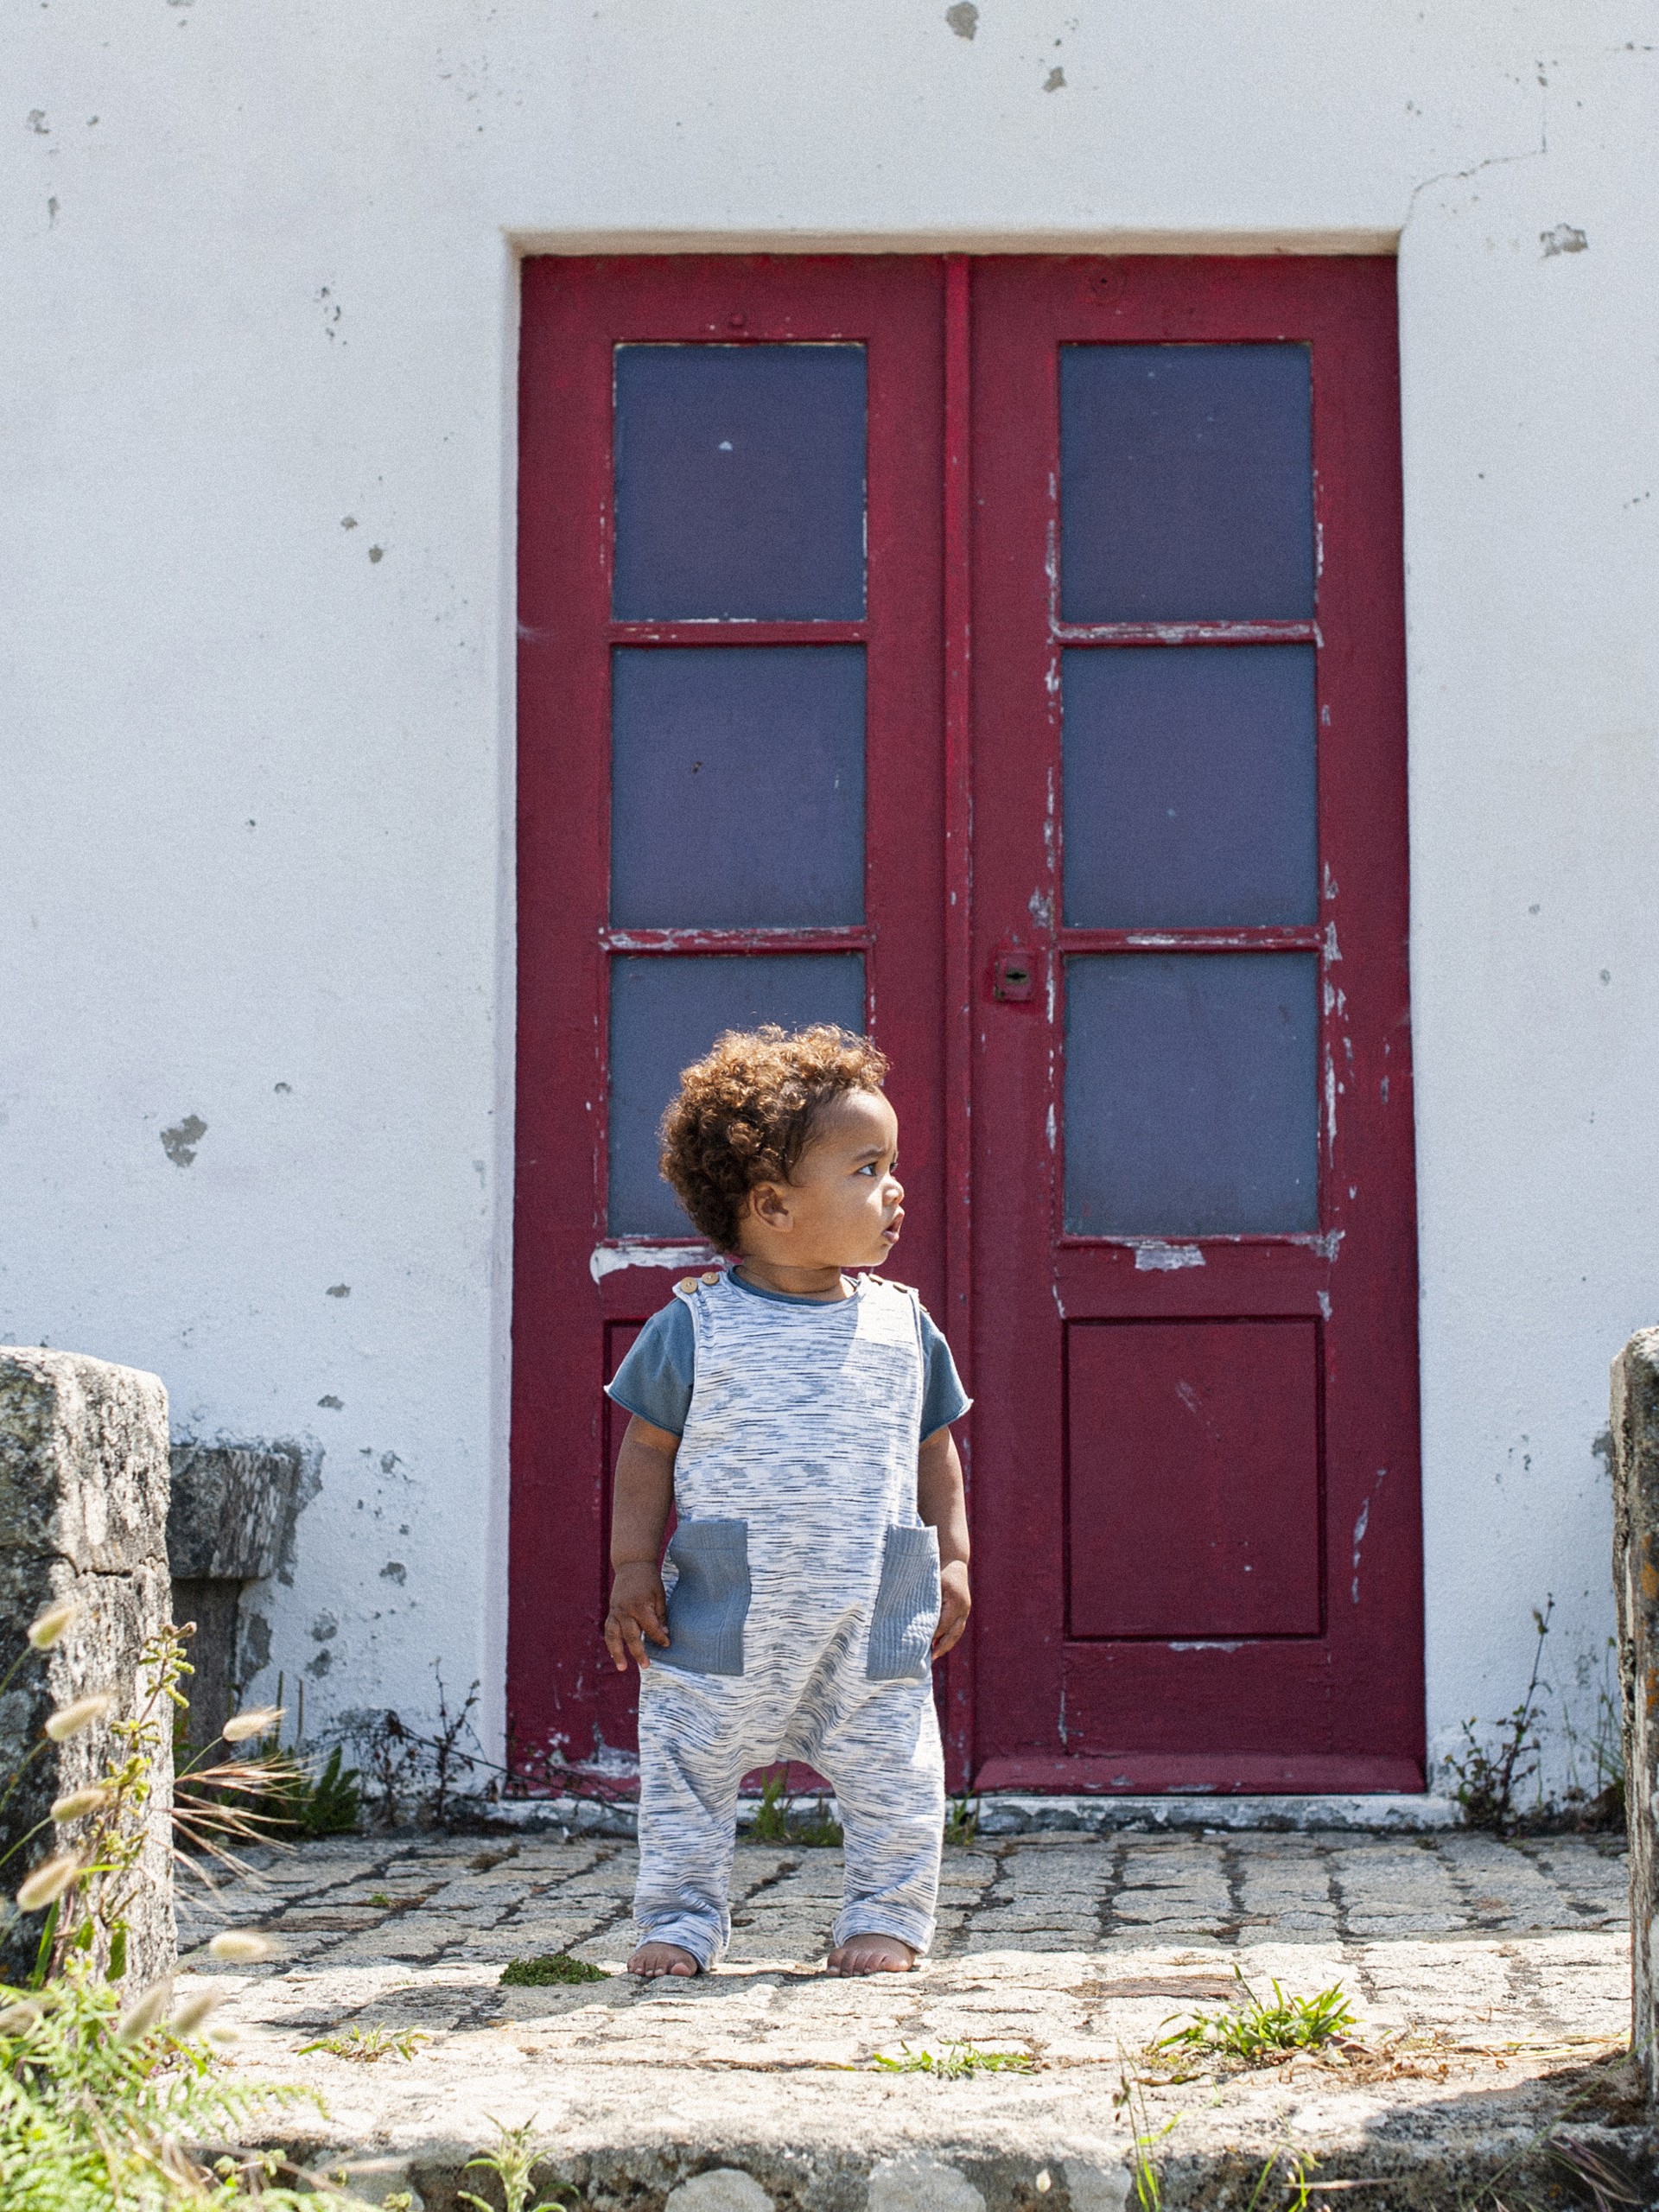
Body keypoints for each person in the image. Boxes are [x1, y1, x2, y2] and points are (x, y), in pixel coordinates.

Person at [603, 1023, 971, 1980]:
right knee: (686, 1771)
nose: (896, 1189)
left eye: (892, 1166)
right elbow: (646, 1453)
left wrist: (955, 1558)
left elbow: (935, 1448)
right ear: (772, 1204)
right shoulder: (694, 1326)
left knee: (897, 1770)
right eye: (867, 1169)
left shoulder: (905, 1325)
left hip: (871, 1608)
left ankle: (885, 1916)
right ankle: (680, 1921)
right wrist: (632, 1566)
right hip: (722, 1614)